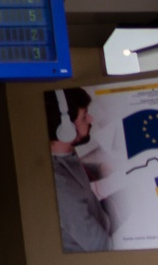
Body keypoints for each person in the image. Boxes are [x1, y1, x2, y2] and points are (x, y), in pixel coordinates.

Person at [45, 87, 111, 252]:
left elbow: (74, 171)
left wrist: (99, 168)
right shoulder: (60, 188)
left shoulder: (64, 155)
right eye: (84, 116)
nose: (90, 119)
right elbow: (102, 247)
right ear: (65, 129)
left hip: (103, 219)